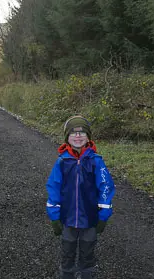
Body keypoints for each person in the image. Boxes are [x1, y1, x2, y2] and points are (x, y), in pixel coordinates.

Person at [46, 115, 116, 279]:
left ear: (88, 137)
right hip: (68, 218)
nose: (78, 137)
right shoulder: (62, 162)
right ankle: (67, 274)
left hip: (90, 218)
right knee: (67, 250)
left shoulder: (96, 161)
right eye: (73, 133)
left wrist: (103, 215)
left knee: (88, 250)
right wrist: (54, 216)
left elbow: (106, 187)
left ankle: (87, 274)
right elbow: (53, 188)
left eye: (82, 133)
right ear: (67, 137)